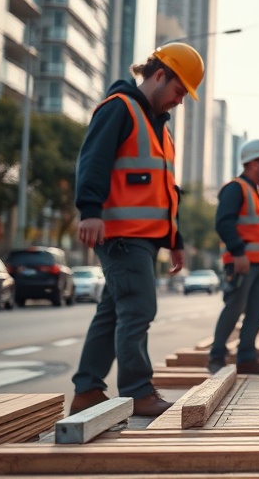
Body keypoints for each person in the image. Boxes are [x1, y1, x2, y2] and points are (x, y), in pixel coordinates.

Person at [70, 42, 204, 416]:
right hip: (121, 234)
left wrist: (174, 238)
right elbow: (93, 159)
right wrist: (90, 210)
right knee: (139, 308)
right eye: (179, 91)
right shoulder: (120, 108)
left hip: (144, 238)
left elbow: (164, 191)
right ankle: (137, 391)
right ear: (159, 75)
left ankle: (87, 391)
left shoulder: (160, 130)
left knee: (113, 312)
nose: (180, 101)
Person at [207, 140, 259, 375]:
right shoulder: (235, 188)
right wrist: (238, 252)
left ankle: (247, 357)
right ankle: (216, 357)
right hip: (241, 263)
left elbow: (255, 227)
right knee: (234, 308)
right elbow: (223, 222)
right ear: (253, 164)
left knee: (258, 308)